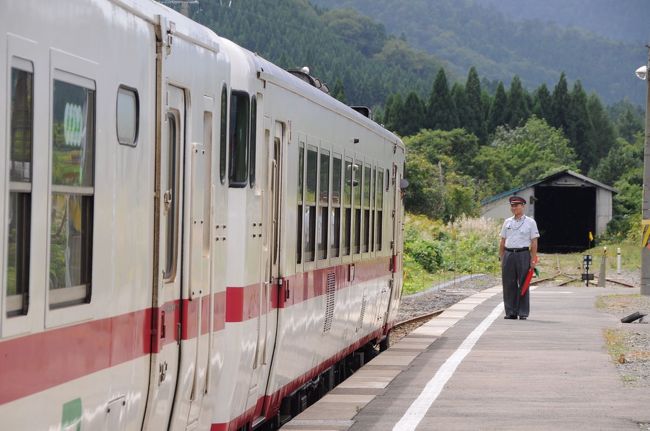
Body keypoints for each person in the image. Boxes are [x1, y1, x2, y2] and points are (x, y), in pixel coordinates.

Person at [498, 196, 539, 320]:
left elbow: (534, 242)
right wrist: (501, 257)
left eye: (517, 205)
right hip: (509, 254)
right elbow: (502, 240)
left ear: (523, 206)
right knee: (508, 284)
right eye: (512, 206)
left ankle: (523, 312)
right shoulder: (507, 222)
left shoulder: (530, 222)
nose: (514, 208)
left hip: (523, 254)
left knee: (523, 283)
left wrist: (533, 259)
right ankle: (511, 312)